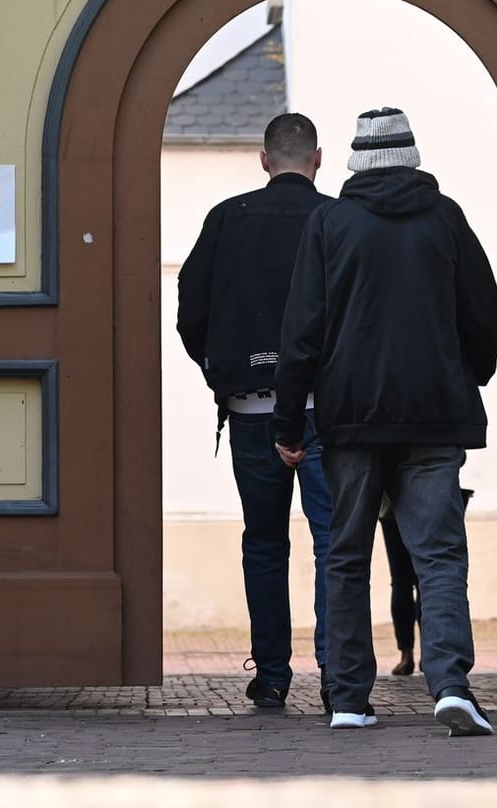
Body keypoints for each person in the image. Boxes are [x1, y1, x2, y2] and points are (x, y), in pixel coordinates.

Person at [272, 107, 497, 737]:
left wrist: (288, 424)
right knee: (439, 555)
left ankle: (349, 697)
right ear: (412, 157)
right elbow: (485, 311)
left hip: (350, 420)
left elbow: (302, 332)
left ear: (353, 161)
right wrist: (467, 374)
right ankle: (451, 684)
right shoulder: (446, 218)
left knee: (345, 556)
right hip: (434, 416)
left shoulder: (330, 222)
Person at [176, 112, 336, 711]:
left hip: (251, 409)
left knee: (265, 544)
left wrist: (224, 370)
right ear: (316, 159)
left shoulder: (227, 219)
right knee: (333, 543)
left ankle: (272, 675)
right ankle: (336, 673)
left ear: (264, 159)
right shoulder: (336, 218)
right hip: (329, 408)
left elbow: (191, 308)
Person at [381, 485, 473, 677]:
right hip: (427, 501)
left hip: (392, 503)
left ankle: (408, 655)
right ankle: (424, 655)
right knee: (429, 578)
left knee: (403, 582)